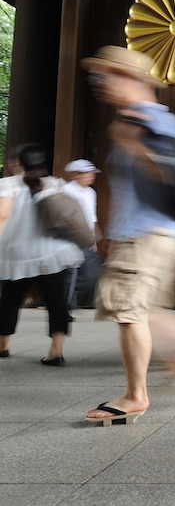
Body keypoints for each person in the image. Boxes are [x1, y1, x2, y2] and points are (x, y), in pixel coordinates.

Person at [81, 46, 175, 425]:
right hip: (141, 234)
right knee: (139, 313)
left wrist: (134, 140)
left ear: (135, 79)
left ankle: (140, 392)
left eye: (108, 75)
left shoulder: (152, 121)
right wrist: (113, 234)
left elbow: (169, 175)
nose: (101, 83)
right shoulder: (134, 120)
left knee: (132, 312)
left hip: (150, 234)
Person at [0, 144, 84, 364]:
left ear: (18, 163)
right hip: (55, 253)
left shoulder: (8, 185)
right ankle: (56, 351)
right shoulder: (55, 184)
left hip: (19, 254)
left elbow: (2, 216)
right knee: (57, 302)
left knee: (10, 300)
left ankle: (3, 345)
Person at [63, 159, 103, 309]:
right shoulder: (66, 190)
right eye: (87, 173)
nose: (91, 176)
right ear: (75, 175)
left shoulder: (91, 192)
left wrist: (93, 239)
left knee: (93, 270)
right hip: (69, 237)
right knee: (70, 272)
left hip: (85, 236)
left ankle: (79, 301)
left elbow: (91, 216)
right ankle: (66, 306)